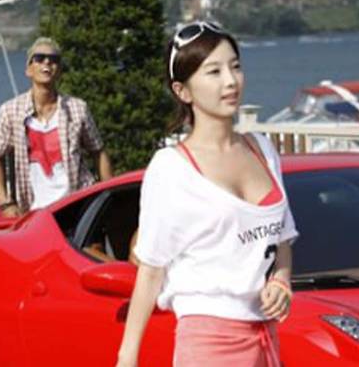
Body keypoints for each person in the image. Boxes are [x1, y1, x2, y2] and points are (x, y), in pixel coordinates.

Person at [116, 21, 298, 367]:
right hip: (208, 343)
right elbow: (151, 270)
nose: (231, 81)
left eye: (235, 66)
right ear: (182, 91)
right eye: (214, 72)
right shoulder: (171, 168)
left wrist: (282, 282)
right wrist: (128, 356)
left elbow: (282, 241)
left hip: (265, 338)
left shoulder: (263, 150)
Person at [0, 37, 113, 217]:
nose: (47, 62)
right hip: (34, 213)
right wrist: (4, 202)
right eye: (39, 58)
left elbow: (98, 151)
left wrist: (108, 197)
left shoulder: (77, 108)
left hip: (78, 207)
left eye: (53, 59)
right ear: (29, 69)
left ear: (59, 70)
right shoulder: (10, 111)